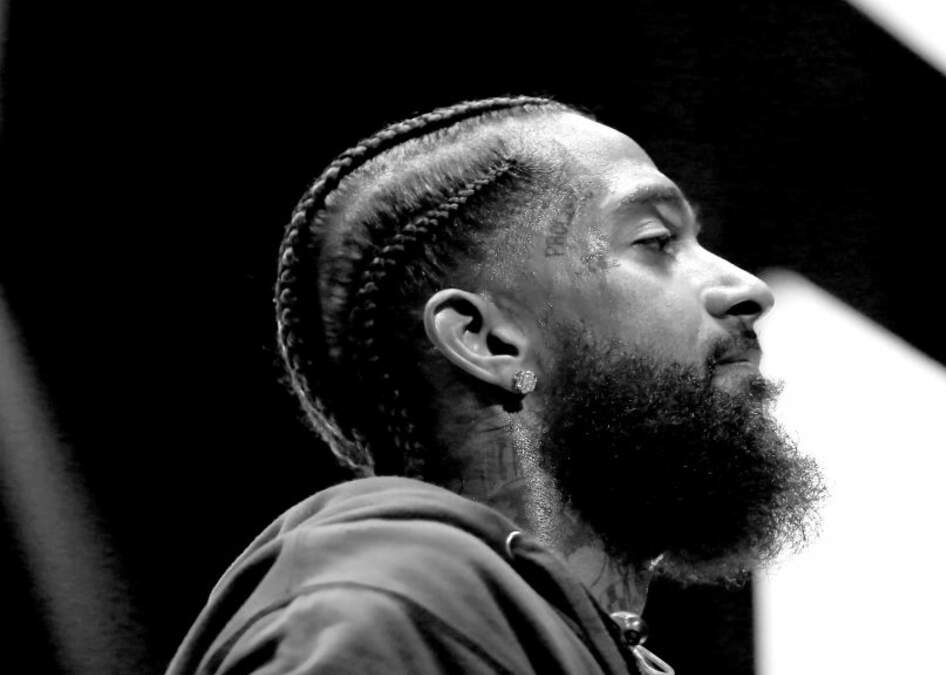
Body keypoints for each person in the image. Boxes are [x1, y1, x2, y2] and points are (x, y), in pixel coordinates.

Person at [167, 95, 824, 675]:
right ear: (490, 341)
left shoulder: (532, 633)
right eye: (655, 241)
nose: (747, 288)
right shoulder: (383, 600)